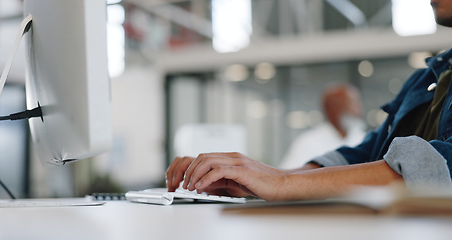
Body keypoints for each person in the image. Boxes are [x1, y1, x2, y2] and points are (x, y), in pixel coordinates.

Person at [166, 0, 452, 201]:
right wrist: (257, 179)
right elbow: (367, 154)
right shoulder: (424, 78)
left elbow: (442, 163)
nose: (356, 107)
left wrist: (284, 183)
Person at [280, 84, 366, 169]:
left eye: (357, 103)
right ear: (331, 108)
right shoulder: (307, 142)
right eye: (351, 104)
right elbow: (292, 176)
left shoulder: (364, 139)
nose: (357, 110)